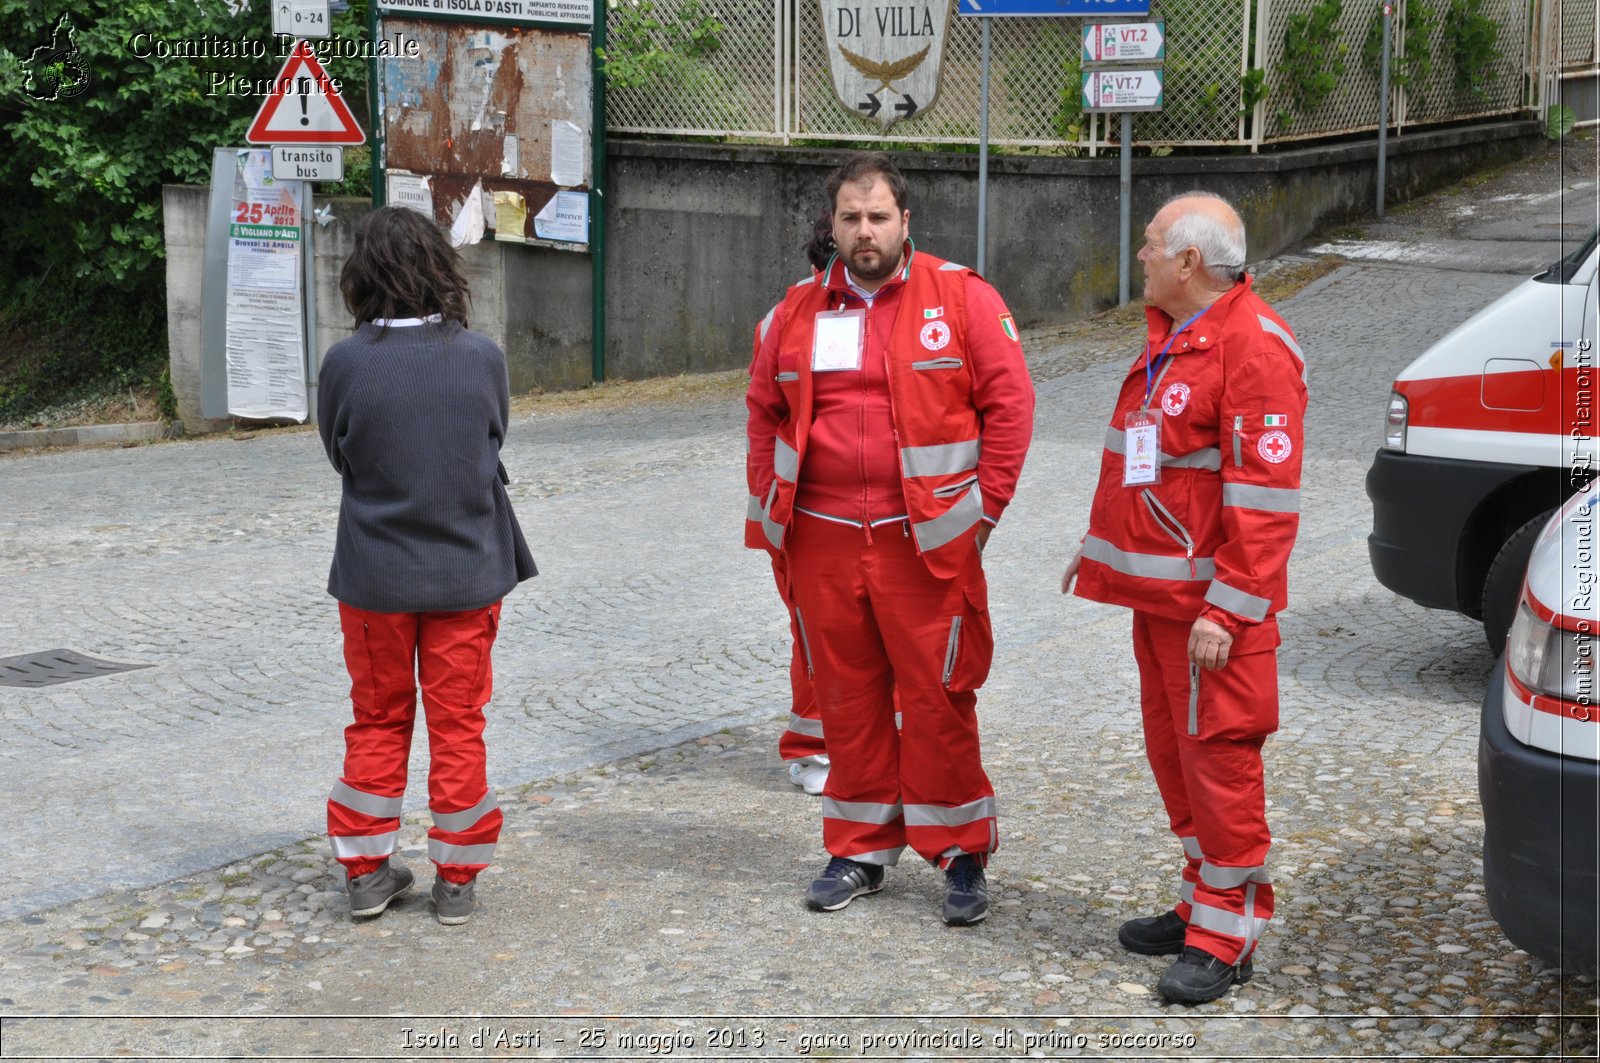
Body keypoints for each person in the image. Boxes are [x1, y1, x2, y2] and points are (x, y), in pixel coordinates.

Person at [746, 152, 1034, 925]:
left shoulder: (962, 299)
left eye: (878, 217)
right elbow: (763, 413)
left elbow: (1011, 407)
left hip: (925, 545)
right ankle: (860, 847)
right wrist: (772, 514)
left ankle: (960, 850)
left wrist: (984, 513)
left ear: (906, 222)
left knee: (940, 697)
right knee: (847, 700)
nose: (864, 231)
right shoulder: (796, 314)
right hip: (825, 543)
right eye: (850, 218)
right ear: (832, 225)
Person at [1061, 191, 1306, 1004]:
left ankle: (1227, 937)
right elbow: (1158, 469)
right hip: (1164, 608)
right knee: (1179, 764)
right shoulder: (1179, 338)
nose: (1141, 258)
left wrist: (1229, 608)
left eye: (1151, 245)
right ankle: (1200, 902)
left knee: (1220, 765)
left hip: (1212, 619)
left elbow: (1265, 503)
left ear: (1189, 262)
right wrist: (1102, 553)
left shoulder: (1253, 347)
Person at [316, 206, 537, 926]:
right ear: (441, 268)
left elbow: (340, 454)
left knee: (377, 718)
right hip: (466, 573)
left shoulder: (344, 362)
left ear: (360, 277)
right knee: (458, 721)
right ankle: (457, 880)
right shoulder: (481, 356)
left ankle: (367, 871)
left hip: (373, 577)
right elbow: (491, 434)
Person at [755, 209, 840, 796]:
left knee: (810, 633)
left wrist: (766, 502)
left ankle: (815, 752)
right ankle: (822, 747)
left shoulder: (775, 317)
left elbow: (761, 417)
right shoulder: (790, 315)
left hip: (791, 504)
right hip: (812, 506)